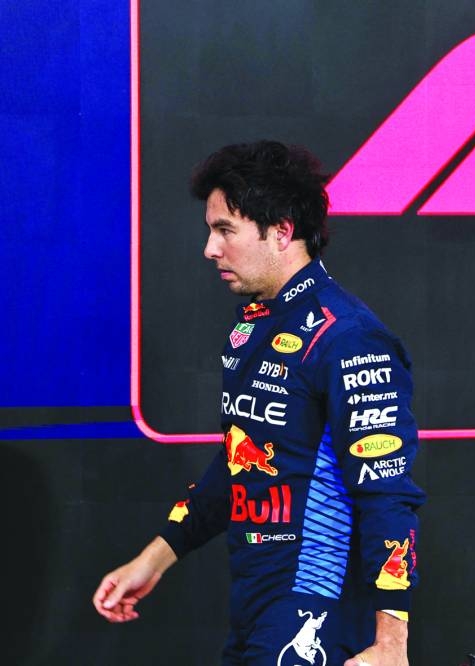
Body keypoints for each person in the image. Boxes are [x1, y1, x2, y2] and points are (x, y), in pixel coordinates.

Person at [93, 140, 425, 666]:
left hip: (319, 610)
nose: (209, 248)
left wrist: (391, 644)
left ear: (282, 231)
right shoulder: (253, 327)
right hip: (255, 604)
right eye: (211, 230)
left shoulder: (351, 339)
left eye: (225, 229)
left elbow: (387, 496)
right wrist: (154, 559)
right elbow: (241, 462)